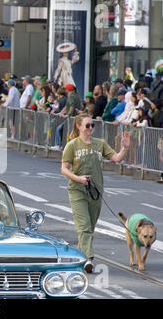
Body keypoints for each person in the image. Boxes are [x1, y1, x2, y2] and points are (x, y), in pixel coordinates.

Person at [61, 113, 130, 273]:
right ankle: (88, 259)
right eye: (87, 125)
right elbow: (64, 169)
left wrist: (124, 148)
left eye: (92, 125)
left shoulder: (100, 144)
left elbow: (116, 158)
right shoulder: (72, 145)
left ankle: (81, 253)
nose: (90, 128)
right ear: (78, 126)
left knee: (89, 227)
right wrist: (77, 178)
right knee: (84, 226)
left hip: (95, 191)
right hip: (77, 190)